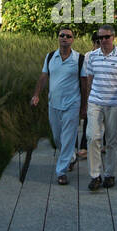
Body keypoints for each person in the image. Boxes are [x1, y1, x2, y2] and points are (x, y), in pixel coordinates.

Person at [31, 27, 90, 185]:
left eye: (68, 36)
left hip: (72, 104)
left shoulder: (79, 59)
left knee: (68, 137)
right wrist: (36, 94)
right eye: (61, 35)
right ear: (58, 38)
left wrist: (84, 107)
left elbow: (84, 84)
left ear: (72, 39)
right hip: (54, 104)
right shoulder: (50, 57)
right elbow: (44, 77)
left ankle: (61, 172)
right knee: (57, 137)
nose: (64, 38)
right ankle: (71, 157)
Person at [83, 24, 117, 190]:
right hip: (95, 102)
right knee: (92, 137)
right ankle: (95, 175)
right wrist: (88, 99)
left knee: (111, 140)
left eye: (106, 37)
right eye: (100, 38)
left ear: (113, 37)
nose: (103, 40)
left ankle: (109, 174)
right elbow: (89, 79)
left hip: (114, 104)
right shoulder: (92, 56)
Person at [77, 32, 101, 158]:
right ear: (93, 43)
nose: (100, 43)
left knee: (106, 121)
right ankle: (84, 146)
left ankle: (104, 143)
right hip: (92, 92)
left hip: (107, 93)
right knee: (88, 119)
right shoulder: (88, 56)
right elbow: (85, 77)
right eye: (97, 41)